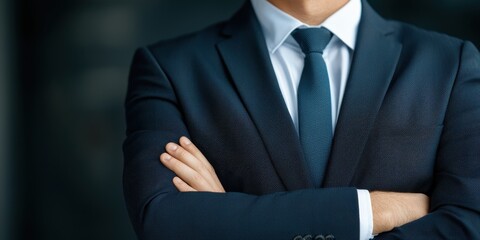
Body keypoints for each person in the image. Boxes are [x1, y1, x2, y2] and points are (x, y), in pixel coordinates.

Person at [123, 0, 480, 239]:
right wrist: (371, 210)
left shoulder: (450, 64)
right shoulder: (169, 69)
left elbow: (470, 224)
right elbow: (164, 220)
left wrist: (228, 217)